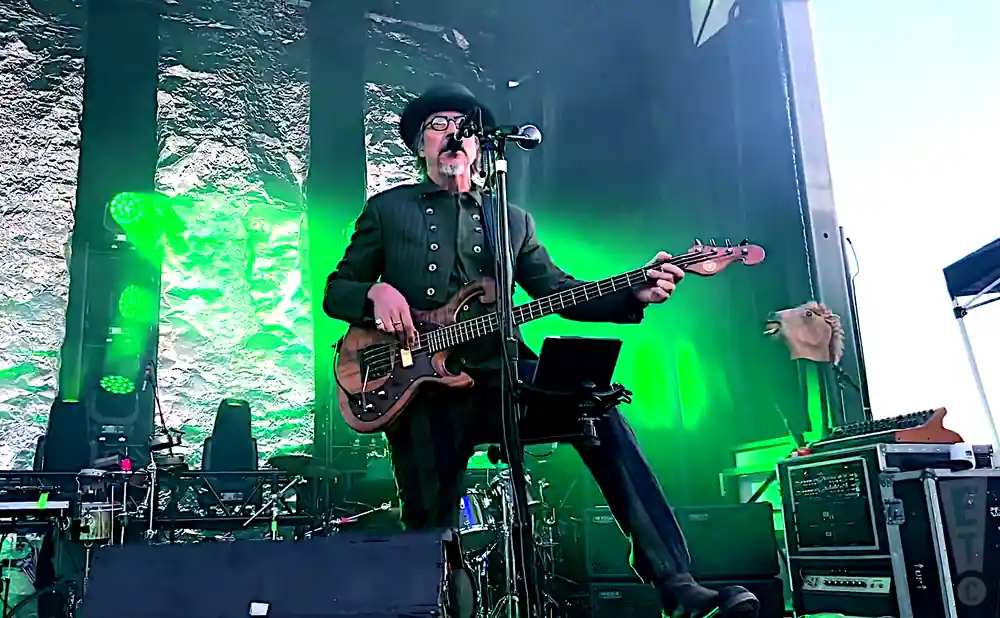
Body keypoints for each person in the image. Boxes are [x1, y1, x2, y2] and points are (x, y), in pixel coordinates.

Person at [323, 83, 759, 618]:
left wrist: (635, 290)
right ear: (420, 145)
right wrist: (373, 292)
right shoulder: (388, 209)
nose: (452, 132)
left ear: (480, 145)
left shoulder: (512, 218)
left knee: (597, 407)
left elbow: (556, 290)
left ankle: (675, 582)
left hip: (505, 371)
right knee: (429, 527)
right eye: (438, 124)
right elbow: (335, 291)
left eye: (462, 125)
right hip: (421, 388)